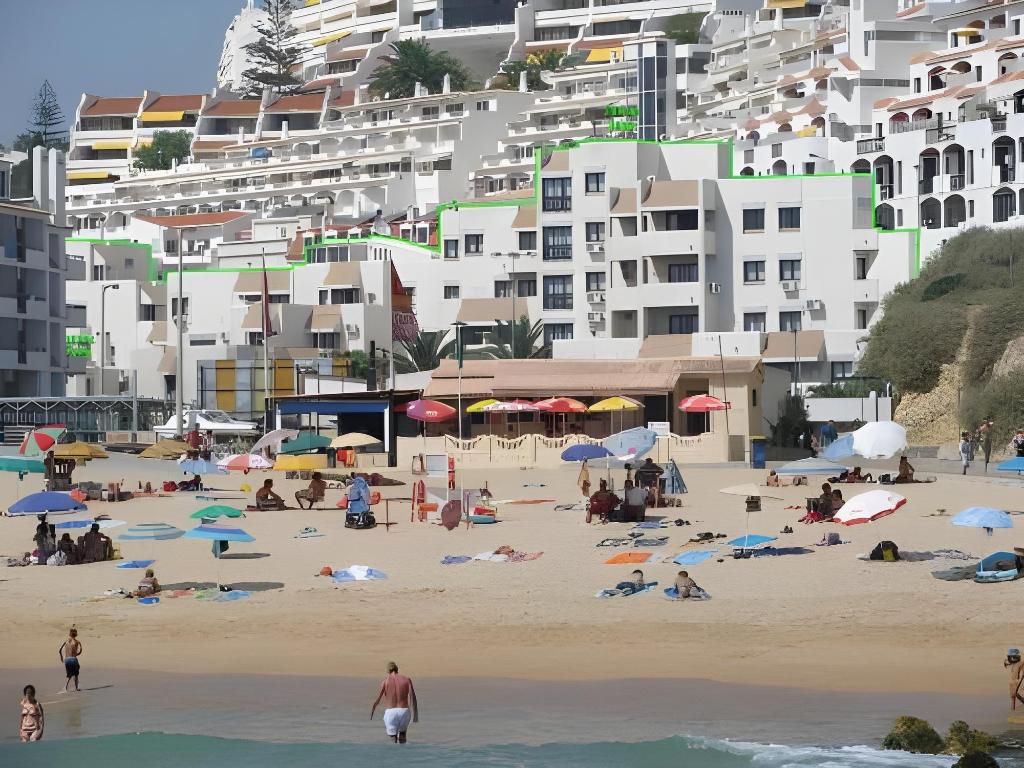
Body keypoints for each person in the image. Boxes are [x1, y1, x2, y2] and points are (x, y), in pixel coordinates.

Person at [370, 661, 419, 744]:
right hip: (404, 711)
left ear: (388, 671)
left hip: (391, 713)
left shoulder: (385, 682)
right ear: (397, 669)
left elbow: (378, 699)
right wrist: (415, 716)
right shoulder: (407, 679)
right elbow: (412, 697)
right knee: (403, 736)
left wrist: (372, 712)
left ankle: (394, 751)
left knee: (393, 740)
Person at [58, 628, 82, 692]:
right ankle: (76, 688)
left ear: (70, 634)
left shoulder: (66, 641)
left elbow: (60, 650)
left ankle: (65, 688)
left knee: (69, 675)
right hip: (73, 659)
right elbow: (79, 652)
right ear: (76, 634)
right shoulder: (77, 642)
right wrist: (76, 654)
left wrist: (62, 658)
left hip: (66, 660)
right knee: (76, 674)